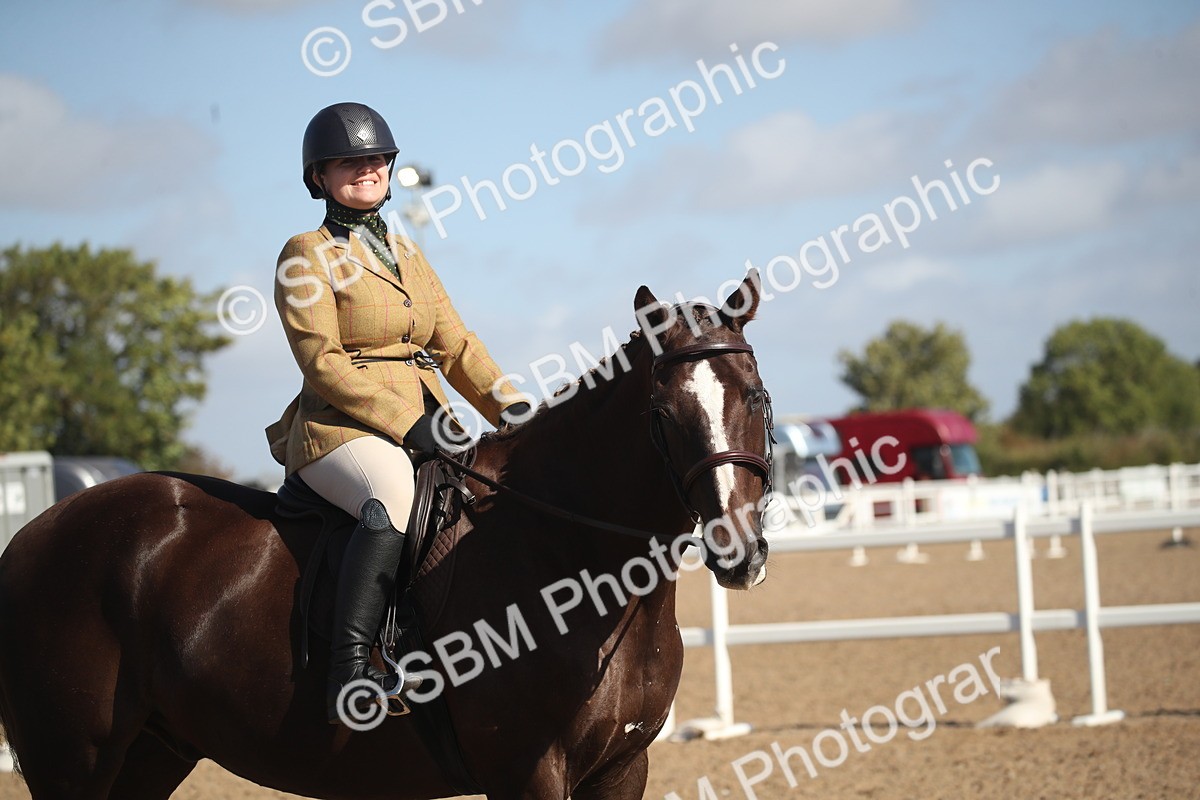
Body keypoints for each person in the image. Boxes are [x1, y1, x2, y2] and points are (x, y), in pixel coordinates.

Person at [265, 102, 530, 724]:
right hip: (340, 430)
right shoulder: (305, 254)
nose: (365, 169)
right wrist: (407, 423)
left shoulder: (407, 253)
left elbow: (455, 343)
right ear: (319, 177)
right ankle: (350, 674)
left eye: (374, 159)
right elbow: (323, 362)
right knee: (391, 498)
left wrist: (509, 405)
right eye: (347, 162)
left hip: (426, 417)